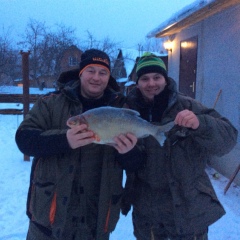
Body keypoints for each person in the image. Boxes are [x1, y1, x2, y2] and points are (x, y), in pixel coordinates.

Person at [15, 49, 139, 240]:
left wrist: (128, 152)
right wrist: (64, 140)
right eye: (91, 70)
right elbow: (24, 139)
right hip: (49, 218)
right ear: (81, 72)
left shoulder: (122, 109)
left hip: (96, 221)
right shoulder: (51, 103)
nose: (96, 77)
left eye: (103, 72)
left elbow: (137, 162)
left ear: (109, 77)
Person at [123, 52, 238, 240]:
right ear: (137, 83)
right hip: (148, 216)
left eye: (157, 77)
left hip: (189, 212)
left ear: (165, 80)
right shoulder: (127, 112)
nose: (151, 83)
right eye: (144, 78)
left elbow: (229, 139)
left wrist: (200, 124)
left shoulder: (188, 105)